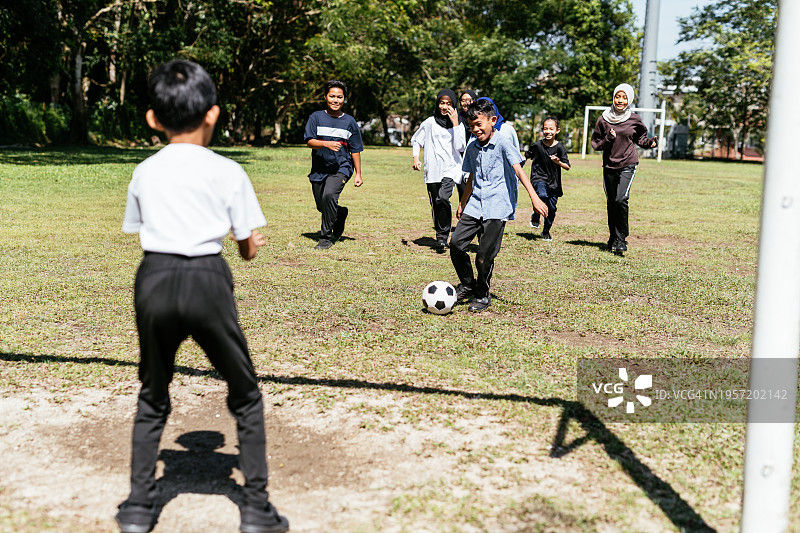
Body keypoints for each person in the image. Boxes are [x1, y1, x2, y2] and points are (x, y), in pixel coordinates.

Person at [118, 59, 288, 533]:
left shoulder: (144, 171)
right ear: (212, 113)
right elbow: (246, 247)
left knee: (153, 393)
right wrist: (250, 244)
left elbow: (141, 228)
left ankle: (137, 508)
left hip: (154, 276)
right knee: (245, 393)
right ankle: (256, 510)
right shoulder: (228, 171)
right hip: (208, 278)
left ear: (153, 118)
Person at [451, 99, 549, 312]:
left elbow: (519, 170)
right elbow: (472, 176)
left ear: (493, 120)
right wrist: (463, 202)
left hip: (497, 205)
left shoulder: (503, 142)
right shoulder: (472, 147)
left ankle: (482, 294)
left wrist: (534, 198)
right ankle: (467, 284)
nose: (475, 129)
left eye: (479, 124)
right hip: (475, 203)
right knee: (456, 244)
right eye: (471, 126)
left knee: (484, 256)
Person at [591, 83, 657, 254]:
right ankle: (613, 237)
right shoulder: (603, 119)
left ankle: (621, 238)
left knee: (621, 199)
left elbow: (640, 139)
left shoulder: (634, 119)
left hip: (628, 163)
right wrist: (608, 139)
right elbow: (596, 144)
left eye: (624, 97)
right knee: (612, 202)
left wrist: (650, 143)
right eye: (617, 96)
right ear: (613, 98)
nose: (620, 100)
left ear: (629, 100)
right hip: (609, 165)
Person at [303, 80, 364, 250]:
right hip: (319, 169)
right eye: (332, 96)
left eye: (339, 97)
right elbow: (309, 141)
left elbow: (355, 150)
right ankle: (340, 213)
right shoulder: (316, 117)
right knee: (322, 205)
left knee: (329, 195)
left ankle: (325, 238)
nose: (335, 100)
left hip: (341, 168)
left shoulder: (349, 122)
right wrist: (326, 144)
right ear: (325, 97)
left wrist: (358, 174)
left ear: (344, 99)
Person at [410, 89, 466, 251]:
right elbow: (416, 140)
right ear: (437, 104)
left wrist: (455, 124)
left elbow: (460, 147)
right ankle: (441, 237)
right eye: (442, 103)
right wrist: (416, 158)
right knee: (436, 203)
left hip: (452, 168)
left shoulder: (459, 124)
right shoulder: (429, 122)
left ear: (454, 106)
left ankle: (442, 236)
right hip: (433, 170)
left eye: (449, 103)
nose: (445, 107)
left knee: (443, 198)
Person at [524, 117, 570, 241]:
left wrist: (558, 162)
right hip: (538, 177)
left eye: (551, 129)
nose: (548, 131)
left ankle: (546, 231)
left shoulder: (560, 148)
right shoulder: (537, 145)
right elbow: (526, 156)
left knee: (552, 209)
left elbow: (567, 167)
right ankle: (536, 214)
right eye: (545, 129)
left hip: (554, 183)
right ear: (542, 130)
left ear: (557, 130)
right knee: (542, 195)